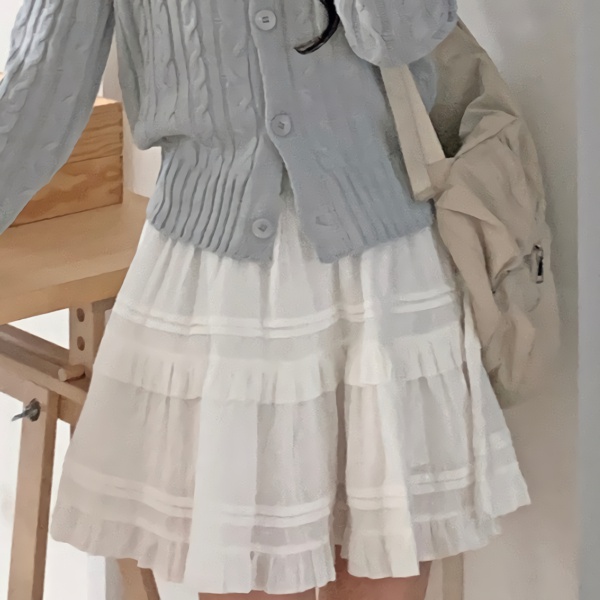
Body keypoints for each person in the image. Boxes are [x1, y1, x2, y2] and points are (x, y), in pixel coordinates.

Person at [0, 1, 530, 599]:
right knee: (251, 571)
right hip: (221, 283)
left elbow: (395, 34)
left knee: (384, 562)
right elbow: (37, 91)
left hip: (379, 270)